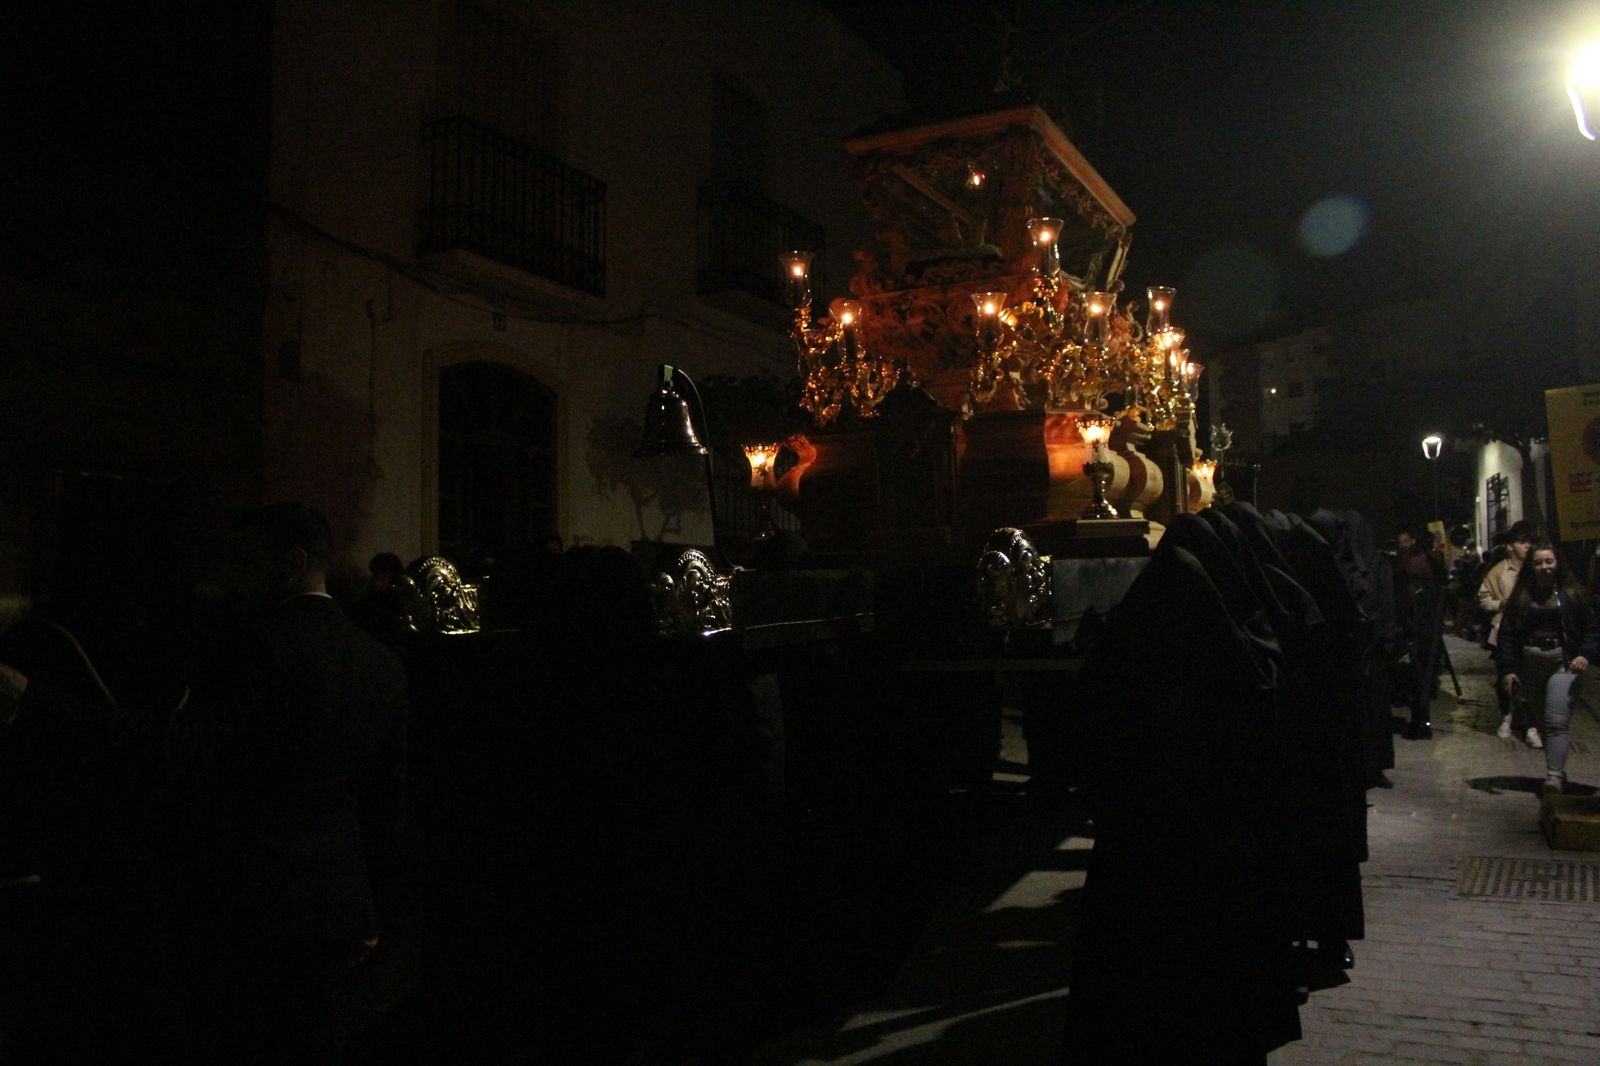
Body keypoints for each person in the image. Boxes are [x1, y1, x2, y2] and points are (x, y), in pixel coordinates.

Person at [0, 502, 410, 1061]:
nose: (231, 578)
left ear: (291, 563)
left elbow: (182, 749)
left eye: (245, 561)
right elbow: (384, 800)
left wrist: (33, 702)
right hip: (337, 911)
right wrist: (376, 910)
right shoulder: (381, 663)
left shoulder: (258, 647)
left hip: (249, 909)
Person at [1495, 542, 1598, 795]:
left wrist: (1584, 654)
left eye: (1549, 561)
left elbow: (1592, 630)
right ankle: (1557, 769)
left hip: (1563, 663)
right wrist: (1508, 668)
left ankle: (1553, 778)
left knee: (1555, 722)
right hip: (1531, 663)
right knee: (1541, 722)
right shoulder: (1522, 596)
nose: (1544, 567)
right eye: (1538, 562)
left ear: (1557, 563)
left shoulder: (1573, 595)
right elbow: (1507, 635)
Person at [1479, 520, 1536, 745]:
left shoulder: (1535, 568)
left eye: (1529, 542)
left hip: (1531, 631)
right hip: (1504, 630)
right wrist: (1500, 604)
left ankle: (1530, 723)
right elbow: (1483, 597)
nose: (1527, 546)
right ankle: (1507, 715)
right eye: (1522, 542)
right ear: (1510, 546)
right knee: (1506, 675)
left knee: (1529, 678)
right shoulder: (1499, 571)